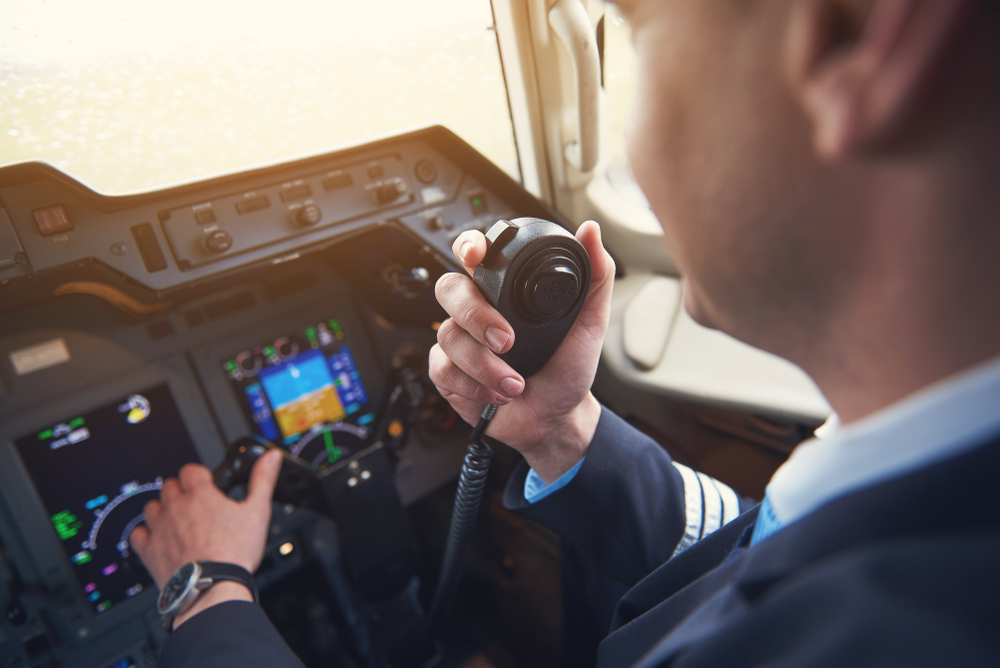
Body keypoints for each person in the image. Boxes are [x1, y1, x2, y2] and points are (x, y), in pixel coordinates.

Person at [131, 0, 1000, 665]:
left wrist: (206, 595)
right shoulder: (917, 491)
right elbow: (754, 546)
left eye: (639, 37)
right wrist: (563, 431)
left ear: (861, 36)